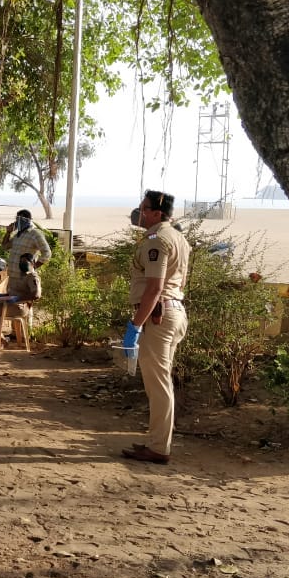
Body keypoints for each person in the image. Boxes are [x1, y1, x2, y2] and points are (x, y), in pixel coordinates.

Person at [121, 190, 191, 465]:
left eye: (144, 208)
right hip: (172, 312)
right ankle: (157, 441)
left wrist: (135, 324)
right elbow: (180, 283)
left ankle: (159, 447)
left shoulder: (157, 240)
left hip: (158, 316)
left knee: (159, 384)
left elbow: (155, 287)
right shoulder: (178, 238)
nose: (139, 212)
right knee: (159, 382)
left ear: (157, 213)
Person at [0, 253, 41, 351]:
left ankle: (0, 341)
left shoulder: (33, 277)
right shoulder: (20, 276)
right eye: (21, 261)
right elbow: (14, 292)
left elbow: (36, 295)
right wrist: (3, 296)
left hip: (20, 306)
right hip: (9, 303)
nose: (22, 263)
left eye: (25, 262)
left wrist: (17, 298)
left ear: (32, 263)